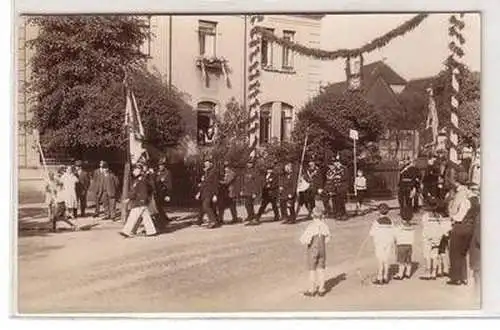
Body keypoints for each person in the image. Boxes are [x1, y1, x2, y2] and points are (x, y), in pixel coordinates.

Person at [447, 171, 475, 285]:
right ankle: (464, 277)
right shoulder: (471, 194)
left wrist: (450, 205)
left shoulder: (459, 194)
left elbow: (453, 212)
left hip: (459, 225)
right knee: (464, 253)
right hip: (470, 225)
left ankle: (456, 277)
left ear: (457, 182)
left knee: (454, 252)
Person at [299, 207, 331, 297]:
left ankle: (312, 289)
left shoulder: (311, 226)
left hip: (313, 249)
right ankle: (321, 289)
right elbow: (328, 238)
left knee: (312, 269)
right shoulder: (324, 225)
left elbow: (305, 239)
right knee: (321, 269)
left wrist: (304, 241)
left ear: (312, 215)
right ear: (322, 216)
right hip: (322, 249)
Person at [120, 163, 157, 238]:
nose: (134, 172)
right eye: (134, 170)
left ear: (140, 171)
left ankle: (126, 231)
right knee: (146, 216)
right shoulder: (137, 179)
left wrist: (142, 200)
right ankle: (151, 231)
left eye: (136, 170)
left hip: (140, 201)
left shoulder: (142, 180)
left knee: (133, 216)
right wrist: (129, 198)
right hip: (139, 201)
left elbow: (144, 192)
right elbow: (134, 191)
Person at [369, 203, 396, 285]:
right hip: (388, 242)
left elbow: (372, 233)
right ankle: (386, 277)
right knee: (386, 259)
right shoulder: (391, 221)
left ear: (379, 211)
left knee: (380, 260)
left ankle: (380, 277)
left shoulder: (376, 222)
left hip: (379, 242)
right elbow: (394, 232)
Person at [420, 198, 446, 280]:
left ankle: (428, 271)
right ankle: (434, 272)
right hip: (437, 238)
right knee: (434, 255)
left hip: (427, 237)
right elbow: (442, 227)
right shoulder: (439, 217)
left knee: (427, 255)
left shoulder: (425, 216)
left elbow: (424, 225)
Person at [195, 159, 219, 229]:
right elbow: (203, 184)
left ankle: (212, 221)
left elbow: (215, 184)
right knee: (203, 207)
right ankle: (199, 221)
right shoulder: (206, 172)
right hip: (204, 193)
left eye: (207, 164)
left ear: (211, 164)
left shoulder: (214, 172)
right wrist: (199, 193)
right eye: (205, 164)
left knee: (206, 206)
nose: (206, 165)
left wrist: (215, 194)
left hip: (210, 192)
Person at [393, 207, 415, 280]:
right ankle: (408, 273)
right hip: (409, 245)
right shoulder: (412, 227)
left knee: (401, 261)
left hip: (401, 245)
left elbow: (395, 236)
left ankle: (400, 274)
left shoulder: (399, 227)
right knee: (408, 260)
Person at [240, 160, 260, 224]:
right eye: (248, 163)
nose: (249, 164)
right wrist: (242, 190)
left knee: (249, 204)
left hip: (251, 191)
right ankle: (250, 216)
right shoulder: (244, 171)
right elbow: (243, 182)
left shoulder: (255, 171)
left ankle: (253, 218)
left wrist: (254, 192)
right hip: (246, 190)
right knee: (247, 204)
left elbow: (256, 183)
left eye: (251, 163)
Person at [154, 158, 172, 227]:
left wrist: (168, 195)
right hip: (156, 192)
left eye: (162, 165)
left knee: (158, 206)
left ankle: (163, 221)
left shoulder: (167, 173)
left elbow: (169, 185)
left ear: (164, 166)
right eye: (159, 165)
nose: (160, 166)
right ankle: (165, 219)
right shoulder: (157, 172)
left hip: (163, 192)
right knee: (158, 206)